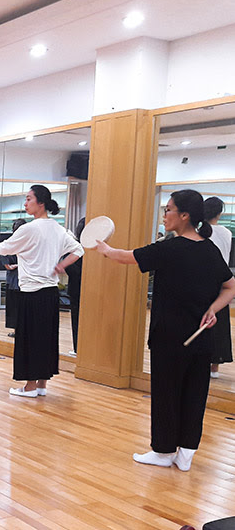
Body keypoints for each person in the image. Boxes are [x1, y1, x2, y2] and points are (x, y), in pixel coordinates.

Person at [95, 190, 234, 470]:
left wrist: (105, 249)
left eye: (168, 210)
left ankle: (163, 451)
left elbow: (125, 257)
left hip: (170, 335)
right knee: (195, 392)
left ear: (184, 215)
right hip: (201, 338)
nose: (165, 215)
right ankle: (186, 453)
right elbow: (230, 287)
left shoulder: (169, 248)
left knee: (167, 392)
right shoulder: (210, 249)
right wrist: (213, 309)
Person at [0, 185, 83, 397]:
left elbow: (3, 249)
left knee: (30, 339)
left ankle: (29, 387)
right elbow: (79, 250)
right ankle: (41, 385)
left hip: (31, 293)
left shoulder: (29, 229)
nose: (25, 203)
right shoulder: (58, 229)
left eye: (29, 199)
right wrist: (62, 266)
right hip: (50, 294)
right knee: (46, 339)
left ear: (41, 203)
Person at [205, 196, 232, 378]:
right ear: (219, 213)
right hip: (223, 280)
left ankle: (202, 362)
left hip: (203, 280)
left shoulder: (200, 232)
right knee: (220, 322)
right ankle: (215, 367)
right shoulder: (226, 232)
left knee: (202, 318)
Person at [1, 218, 26, 338]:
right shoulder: (10, 244)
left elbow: (9, 265)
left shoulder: (10, 244)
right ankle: (19, 330)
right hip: (16, 280)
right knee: (18, 307)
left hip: (19, 280)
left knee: (16, 307)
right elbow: (8, 266)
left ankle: (18, 330)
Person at [65, 217, 86, 356]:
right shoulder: (77, 247)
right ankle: (79, 348)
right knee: (78, 319)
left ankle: (79, 349)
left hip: (79, 289)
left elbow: (69, 267)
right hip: (78, 289)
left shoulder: (77, 247)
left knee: (78, 319)